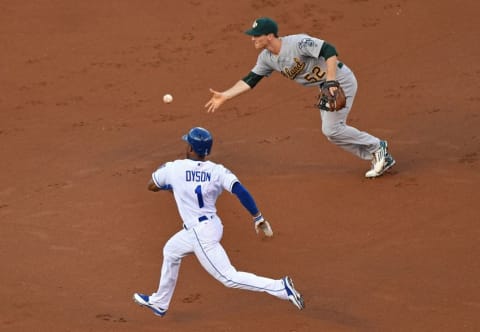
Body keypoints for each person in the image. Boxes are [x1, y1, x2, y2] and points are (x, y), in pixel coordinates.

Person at [133, 127, 305, 317]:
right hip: (211, 226)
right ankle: (160, 302)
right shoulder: (217, 170)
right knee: (171, 251)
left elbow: (151, 185)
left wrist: (173, 187)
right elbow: (240, 191)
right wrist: (258, 217)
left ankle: (280, 287)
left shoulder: (174, 168)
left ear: (190, 148)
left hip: (200, 234)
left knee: (228, 277)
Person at [205, 17, 396, 178]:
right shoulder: (266, 58)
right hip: (325, 86)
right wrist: (226, 95)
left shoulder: (297, 43)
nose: (252, 39)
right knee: (331, 132)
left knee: (332, 129)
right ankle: (376, 154)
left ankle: (378, 148)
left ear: (269, 36)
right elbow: (251, 79)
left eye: (256, 35)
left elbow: (329, 50)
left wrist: (331, 81)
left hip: (339, 80)